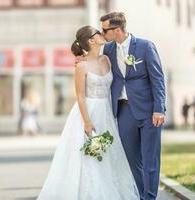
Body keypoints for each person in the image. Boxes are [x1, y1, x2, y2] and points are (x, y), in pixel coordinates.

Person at [37, 26, 139, 200]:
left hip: (106, 111)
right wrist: (87, 122)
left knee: (107, 152)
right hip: (88, 112)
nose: (102, 34)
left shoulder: (107, 59)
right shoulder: (81, 66)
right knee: (88, 154)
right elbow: (80, 95)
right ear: (91, 40)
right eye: (98, 33)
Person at [100, 12, 166, 200]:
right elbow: (98, 65)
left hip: (148, 112)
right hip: (123, 111)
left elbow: (158, 79)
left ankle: (150, 197)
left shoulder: (145, 47)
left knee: (150, 159)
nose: (102, 34)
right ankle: (142, 194)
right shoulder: (108, 50)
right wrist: (82, 61)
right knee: (132, 159)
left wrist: (159, 108)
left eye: (105, 30)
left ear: (117, 29)